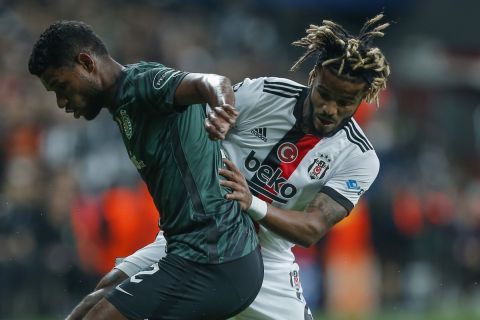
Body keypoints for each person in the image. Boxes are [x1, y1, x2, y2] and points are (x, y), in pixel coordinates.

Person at [64, 14, 391, 320]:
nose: (331, 109)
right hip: (203, 233)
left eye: (346, 102)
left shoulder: (358, 157)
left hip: (268, 261)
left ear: (365, 96)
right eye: (325, 94)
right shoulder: (265, 94)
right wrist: (216, 119)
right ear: (314, 76)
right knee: (102, 297)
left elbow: (313, 227)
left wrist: (253, 203)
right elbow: (205, 115)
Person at [28, 21, 264, 320]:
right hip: (189, 251)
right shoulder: (120, 100)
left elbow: (213, 82)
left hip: (217, 258)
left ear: (86, 63)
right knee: (90, 306)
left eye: (61, 87)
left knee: (98, 317)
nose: (61, 102)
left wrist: (222, 108)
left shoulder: (142, 84)